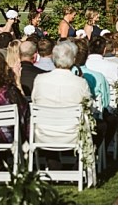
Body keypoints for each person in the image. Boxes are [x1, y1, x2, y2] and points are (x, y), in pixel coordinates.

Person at [31, 41, 91, 170]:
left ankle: (54, 163)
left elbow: (34, 101)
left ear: (53, 58)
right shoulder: (80, 83)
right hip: (72, 134)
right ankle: (76, 167)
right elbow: (88, 107)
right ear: (74, 60)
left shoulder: (40, 79)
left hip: (43, 133)